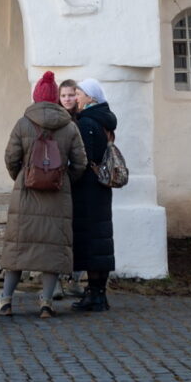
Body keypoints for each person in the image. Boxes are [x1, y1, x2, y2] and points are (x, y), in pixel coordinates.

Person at [0, 71, 86, 318]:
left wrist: (22, 177)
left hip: (26, 193)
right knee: (53, 249)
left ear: (36, 97)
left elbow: (11, 157)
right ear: (55, 98)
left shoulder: (23, 123)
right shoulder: (70, 126)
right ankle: (46, 303)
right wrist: (63, 180)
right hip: (57, 194)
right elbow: (80, 163)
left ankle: (6, 300)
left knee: (17, 248)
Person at [62, 76, 119, 313]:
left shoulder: (87, 122)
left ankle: (96, 295)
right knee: (100, 241)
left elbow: (83, 158)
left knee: (93, 242)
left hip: (88, 189)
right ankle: (97, 293)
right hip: (100, 189)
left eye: (79, 93)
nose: (75, 97)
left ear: (90, 97)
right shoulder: (102, 119)